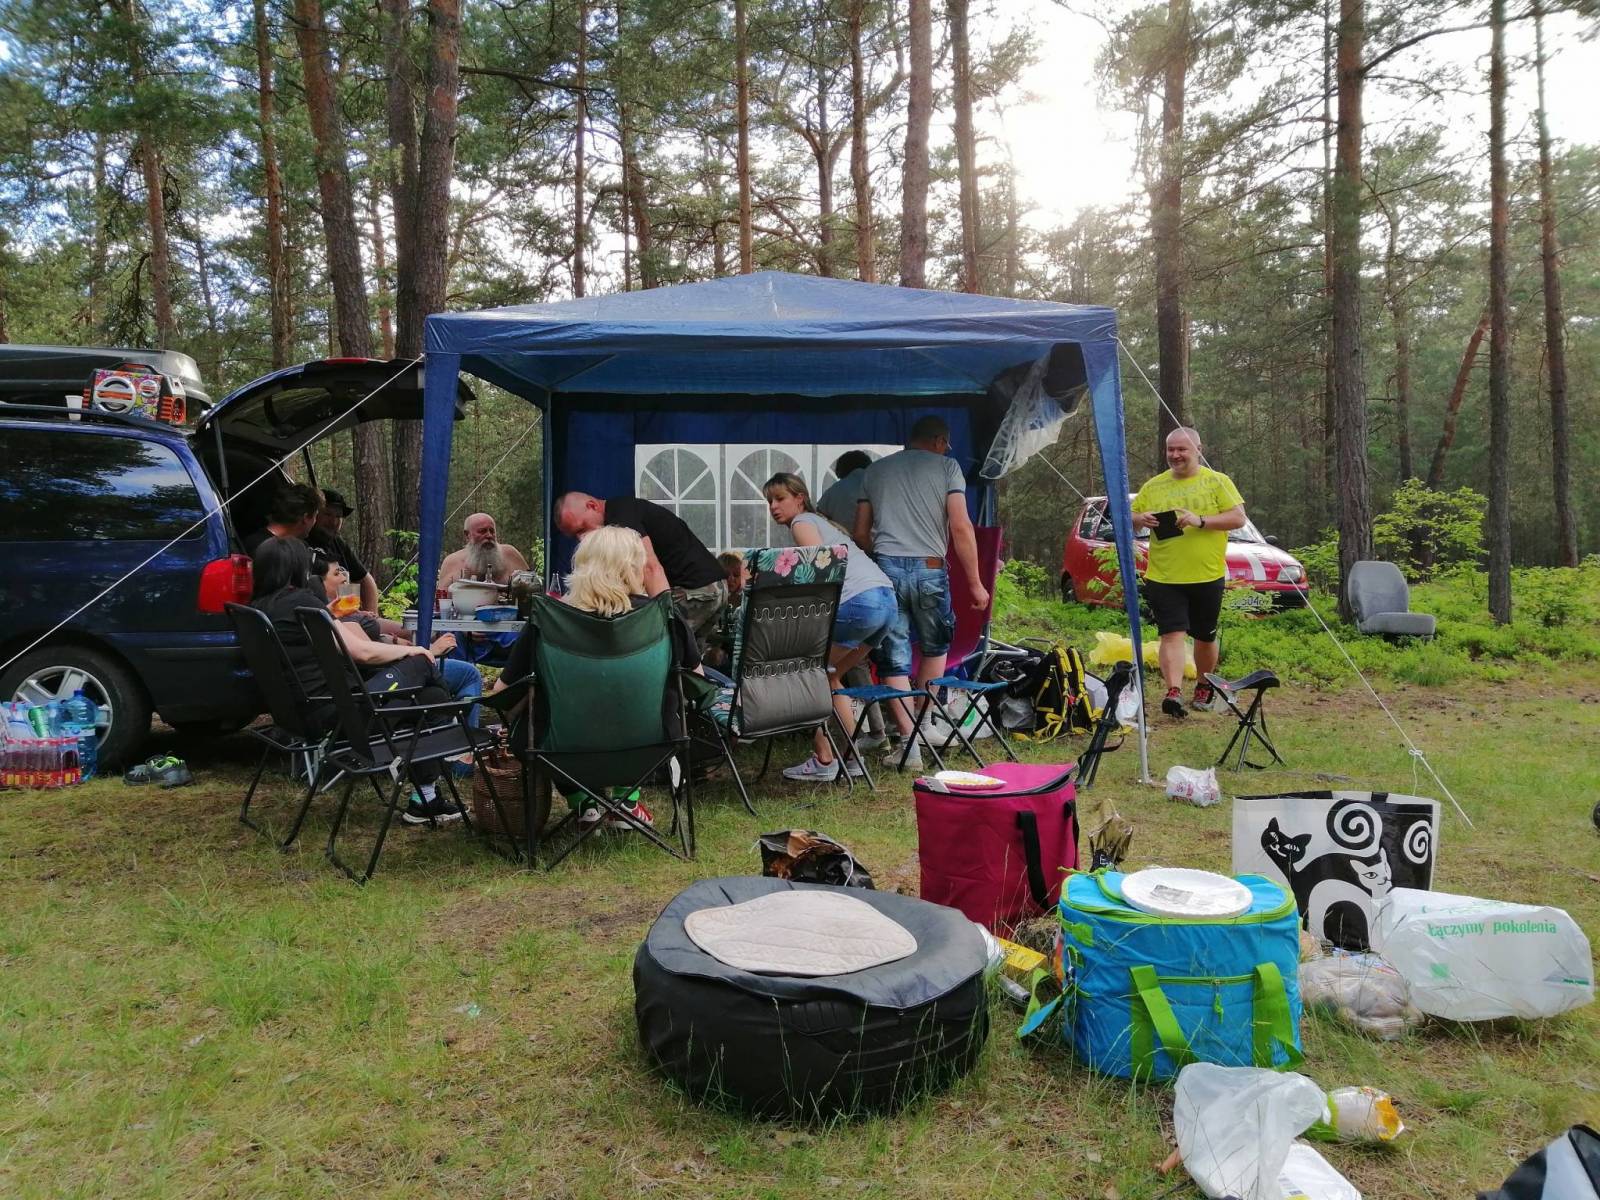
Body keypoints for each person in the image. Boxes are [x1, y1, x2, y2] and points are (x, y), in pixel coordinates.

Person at [491, 526, 703, 830]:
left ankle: (583, 802)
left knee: (537, 712)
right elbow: (697, 682)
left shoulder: (549, 618)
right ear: (634, 567)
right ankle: (627, 801)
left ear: (582, 566)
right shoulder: (663, 616)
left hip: (561, 752)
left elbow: (503, 692)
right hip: (649, 747)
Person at [249, 536, 462, 824]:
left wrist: (329, 615)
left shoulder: (260, 608)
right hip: (345, 715)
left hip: (299, 714)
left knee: (430, 699)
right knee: (424, 666)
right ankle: (449, 736)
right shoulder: (302, 602)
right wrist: (414, 650)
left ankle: (426, 796)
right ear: (296, 568)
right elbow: (361, 653)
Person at [852, 415, 988, 769]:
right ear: (940, 441)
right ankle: (924, 726)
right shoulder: (948, 468)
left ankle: (908, 746)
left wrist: (880, 558)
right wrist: (975, 582)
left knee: (893, 658)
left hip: (887, 569)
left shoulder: (875, 471)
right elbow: (960, 526)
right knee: (935, 646)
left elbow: (861, 533)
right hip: (930, 568)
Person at [762, 473, 898, 783]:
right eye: (769, 501)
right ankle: (851, 760)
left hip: (860, 603)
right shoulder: (822, 523)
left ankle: (824, 758)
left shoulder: (801, 523)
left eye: (780, 498)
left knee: (807, 674)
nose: (773, 507)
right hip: (886, 602)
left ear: (799, 498)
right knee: (829, 676)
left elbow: (821, 572)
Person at [1130, 426, 1248, 718]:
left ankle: (1204, 685)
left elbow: (1238, 518)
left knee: (1204, 636)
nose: (1175, 455)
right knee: (1171, 634)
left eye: (1181, 449)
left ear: (1198, 450)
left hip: (1207, 575)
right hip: (1164, 576)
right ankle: (1173, 692)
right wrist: (1140, 517)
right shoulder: (1154, 485)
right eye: (1170, 450)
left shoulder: (1217, 482)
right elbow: (1128, 517)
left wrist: (1201, 520)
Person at [554, 492, 727, 650]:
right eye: (575, 536)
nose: (582, 538)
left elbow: (650, 568)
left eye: (582, 529)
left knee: (653, 646)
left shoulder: (620, 518)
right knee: (685, 659)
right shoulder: (626, 509)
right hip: (714, 587)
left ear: (592, 506)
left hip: (697, 590)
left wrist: (662, 617)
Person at [307, 488, 378, 614]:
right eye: (327, 514)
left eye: (338, 516)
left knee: (407, 625)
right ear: (315, 515)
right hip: (324, 615)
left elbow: (365, 579)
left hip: (348, 612)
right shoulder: (302, 541)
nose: (333, 521)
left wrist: (372, 613)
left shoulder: (337, 543)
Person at [438, 512, 531, 589]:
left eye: (492, 531)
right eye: (482, 531)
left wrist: (523, 586)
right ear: (467, 535)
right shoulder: (452, 562)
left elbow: (533, 587)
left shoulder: (510, 554)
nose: (489, 535)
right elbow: (441, 598)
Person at [242, 482, 322, 557]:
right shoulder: (269, 552)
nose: (315, 521)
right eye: (315, 516)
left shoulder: (254, 541)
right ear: (306, 518)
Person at [816, 450, 872, 528]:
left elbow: (818, 517)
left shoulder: (834, 490)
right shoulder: (880, 486)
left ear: (842, 471)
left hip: (842, 534)